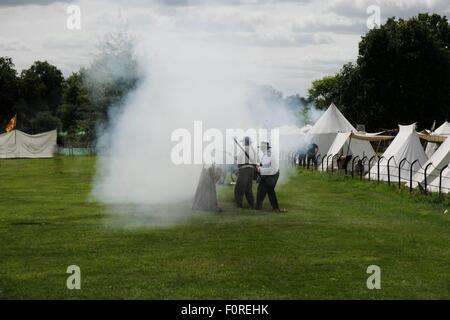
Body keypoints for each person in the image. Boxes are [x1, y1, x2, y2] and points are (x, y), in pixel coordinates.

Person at [255, 141, 286, 213]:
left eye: (262, 147)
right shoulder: (266, 154)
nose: (261, 149)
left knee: (264, 189)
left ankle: (259, 206)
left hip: (272, 175)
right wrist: (259, 166)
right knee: (267, 190)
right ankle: (273, 207)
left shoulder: (269, 154)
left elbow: (271, 169)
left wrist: (259, 169)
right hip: (269, 174)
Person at [234, 136, 259, 208]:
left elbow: (238, 158)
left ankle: (239, 204)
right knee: (248, 188)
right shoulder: (253, 150)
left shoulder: (244, 149)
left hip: (244, 170)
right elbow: (256, 160)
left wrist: (235, 157)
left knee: (239, 188)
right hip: (251, 170)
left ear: (245, 142)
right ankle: (252, 204)